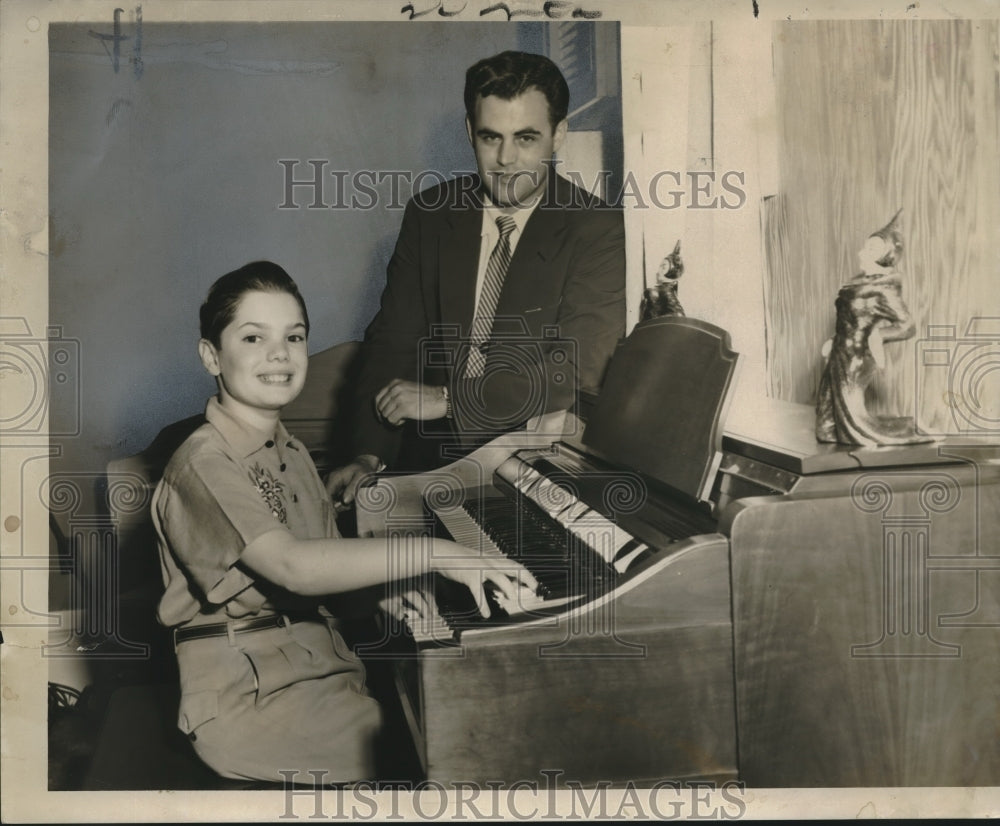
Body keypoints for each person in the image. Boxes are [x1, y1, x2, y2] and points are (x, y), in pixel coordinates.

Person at [152, 261, 535, 783]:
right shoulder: (203, 462)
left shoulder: (290, 451)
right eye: (252, 337)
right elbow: (292, 567)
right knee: (464, 747)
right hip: (250, 695)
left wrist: (379, 595)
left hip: (315, 664)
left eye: (294, 336)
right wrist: (436, 552)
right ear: (210, 355)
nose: (279, 353)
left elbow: (323, 574)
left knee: (469, 720)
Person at [327, 50, 626, 508]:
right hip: (423, 462)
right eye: (491, 137)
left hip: (531, 471)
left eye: (526, 138)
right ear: (470, 132)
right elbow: (393, 342)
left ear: (558, 135)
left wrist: (450, 399)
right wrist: (368, 455)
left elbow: (579, 367)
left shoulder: (597, 227)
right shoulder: (429, 216)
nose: (506, 159)